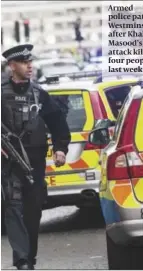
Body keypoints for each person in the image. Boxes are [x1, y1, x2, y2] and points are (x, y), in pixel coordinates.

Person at [1, 44, 71, 270]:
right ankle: (21, 259)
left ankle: (29, 257)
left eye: (31, 62)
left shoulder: (40, 93)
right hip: (8, 164)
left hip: (35, 163)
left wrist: (61, 148)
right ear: (12, 66)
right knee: (12, 208)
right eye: (24, 62)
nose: (29, 66)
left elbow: (58, 123)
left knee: (33, 212)